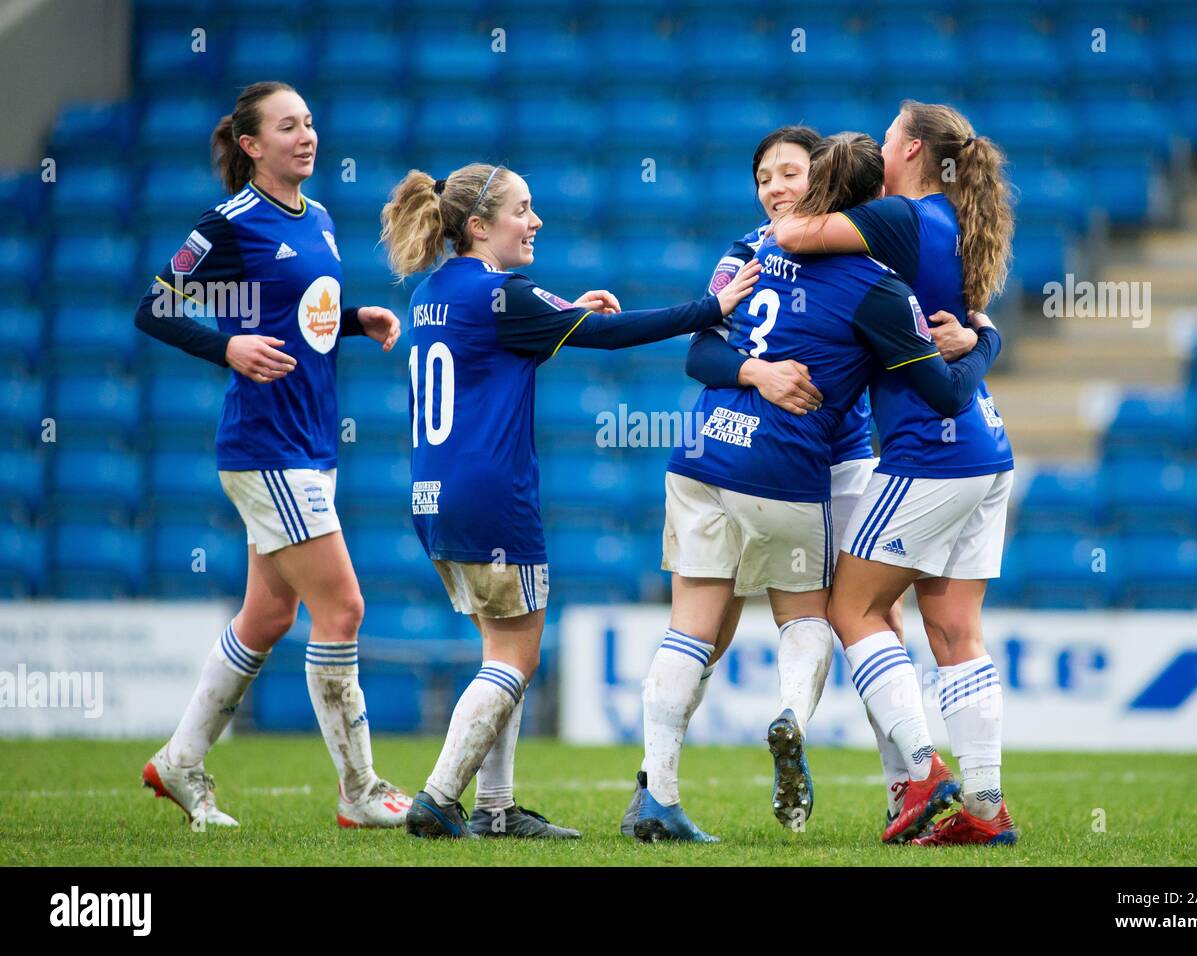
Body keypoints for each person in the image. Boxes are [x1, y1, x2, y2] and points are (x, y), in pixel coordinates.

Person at [632, 133, 1003, 843]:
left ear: (821, 182)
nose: (774, 187)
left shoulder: (836, 250)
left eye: (789, 173)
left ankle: (903, 785)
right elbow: (703, 349)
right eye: (763, 177)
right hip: (792, 462)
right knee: (837, 614)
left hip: (822, 460)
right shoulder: (775, 254)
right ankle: (872, 758)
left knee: (860, 615)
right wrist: (757, 372)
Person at [378, 161, 761, 840]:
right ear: (478, 226)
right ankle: (439, 799)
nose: (536, 221)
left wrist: (568, 314)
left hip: (432, 495)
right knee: (515, 660)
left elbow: (493, 359)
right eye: (522, 209)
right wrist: (713, 309)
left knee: (499, 652)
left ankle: (496, 810)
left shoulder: (434, 293)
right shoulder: (503, 294)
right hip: (492, 495)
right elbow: (611, 336)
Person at [135, 81, 411, 829]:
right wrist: (227, 345)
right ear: (252, 145)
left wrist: (354, 319)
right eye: (288, 127)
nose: (307, 136)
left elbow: (295, 315)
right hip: (267, 447)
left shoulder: (317, 217)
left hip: (311, 441)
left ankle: (180, 762)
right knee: (343, 606)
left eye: (311, 123)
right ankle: (359, 790)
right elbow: (155, 305)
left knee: (267, 615)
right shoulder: (229, 222)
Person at [777, 101, 1019, 846]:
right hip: (987, 444)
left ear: (910, 149)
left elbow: (790, 230)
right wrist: (985, 339)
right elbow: (969, 329)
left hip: (929, 452)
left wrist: (801, 196)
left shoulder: (900, 219)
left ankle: (923, 771)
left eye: (886, 135)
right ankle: (985, 810)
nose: (878, 144)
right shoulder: (950, 221)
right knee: (954, 630)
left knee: (852, 610)